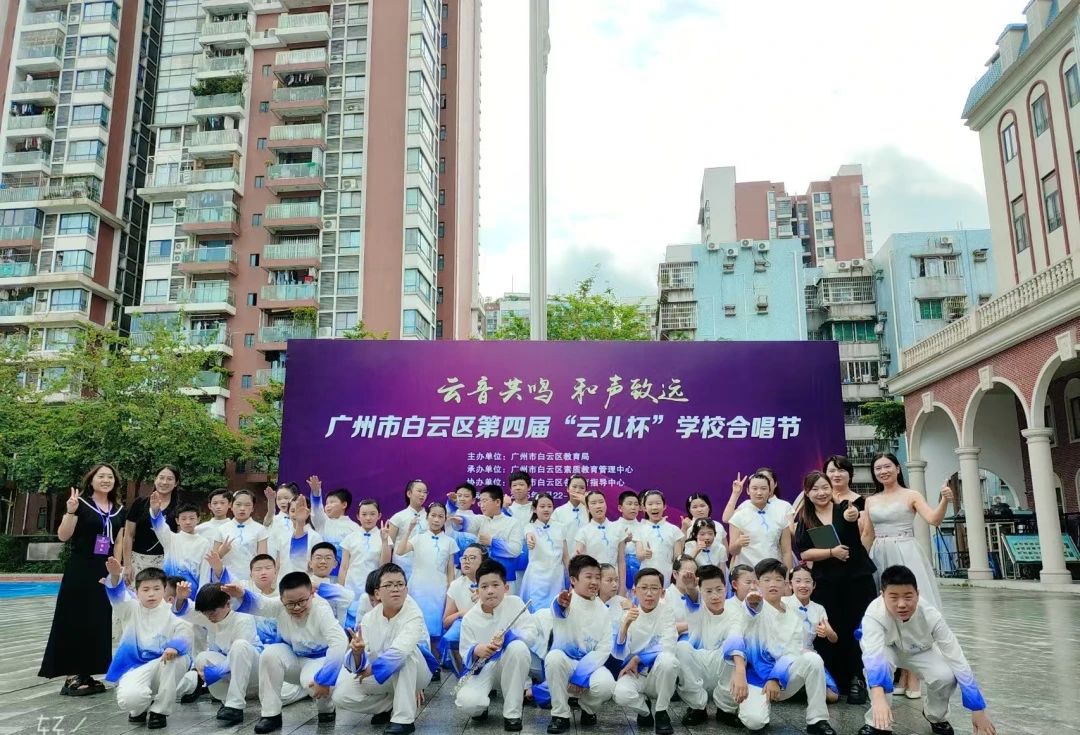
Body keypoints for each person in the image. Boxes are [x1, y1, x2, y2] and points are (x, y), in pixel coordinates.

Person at [857, 565, 997, 735]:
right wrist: (879, 698)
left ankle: (936, 716)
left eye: (908, 596)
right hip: (886, 649)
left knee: (945, 675)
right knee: (880, 669)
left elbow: (956, 657)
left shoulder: (931, 615)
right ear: (882, 595)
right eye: (893, 597)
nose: (901, 604)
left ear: (918, 593)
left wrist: (978, 709)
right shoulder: (873, 614)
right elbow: (873, 656)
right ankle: (878, 724)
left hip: (920, 650)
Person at [864, 452, 952, 698]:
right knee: (888, 611)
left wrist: (944, 500)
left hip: (906, 552)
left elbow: (933, 519)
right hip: (880, 553)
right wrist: (861, 563)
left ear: (897, 468)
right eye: (878, 468)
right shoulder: (870, 500)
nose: (883, 471)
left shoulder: (911, 495)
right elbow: (868, 534)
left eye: (887, 466)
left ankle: (913, 676)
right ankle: (901, 674)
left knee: (910, 611)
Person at [40, 463, 128, 696]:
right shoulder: (81, 504)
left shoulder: (119, 510)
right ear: (91, 480)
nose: (106, 480)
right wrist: (70, 512)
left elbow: (119, 540)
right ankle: (71, 674)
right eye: (101, 476)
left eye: (110, 477)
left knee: (97, 620)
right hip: (80, 569)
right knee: (74, 618)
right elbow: (63, 536)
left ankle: (87, 672)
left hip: (104, 570)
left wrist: (116, 568)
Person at [226, 571, 349, 734]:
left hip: (318, 660)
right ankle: (271, 715)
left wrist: (325, 679)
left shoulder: (321, 609)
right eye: (290, 604)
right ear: (282, 599)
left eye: (302, 601)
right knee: (270, 654)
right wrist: (241, 594)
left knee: (313, 684)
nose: (297, 607)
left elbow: (339, 641)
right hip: (293, 657)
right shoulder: (280, 605)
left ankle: (327, 709)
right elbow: (262, 604)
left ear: (312, 594)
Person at [795, 471, 877, 705]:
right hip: (827, 582)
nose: (821, 493)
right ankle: (836, 680)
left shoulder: (844, 509)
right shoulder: (805, 518)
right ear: (807, 493)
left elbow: (854, 516)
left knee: (857, 627)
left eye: (825, 487)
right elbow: (804, 552)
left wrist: (853, 515)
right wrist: (831, 552)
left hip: (857, 579)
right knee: (832, 628)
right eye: (815, 489)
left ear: (831, 489)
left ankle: (858, 678)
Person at [332, 563, 433, 735]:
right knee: (342, 695)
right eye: (389, 585)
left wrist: (371, 669)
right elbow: (360, 661)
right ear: (377, 593)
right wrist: (357, 653)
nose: (395, 589)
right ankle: (390, 705)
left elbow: (400, 651)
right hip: (383, 673)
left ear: (406, 590)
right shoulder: (369, 618)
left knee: (405, 656)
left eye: (400, 584)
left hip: (417, 673)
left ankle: (403, 720)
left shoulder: (413, 614)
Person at [741, 558, 837, 735]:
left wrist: (775, 678)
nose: (773, 584)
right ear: (757, 583)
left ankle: (817, 720)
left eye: (778, 579)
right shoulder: (755, 605)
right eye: (767, 579)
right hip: (756, 678)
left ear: (786, 584)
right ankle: (749, 705)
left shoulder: (793, 615)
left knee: (813, 659)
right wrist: (751, 602)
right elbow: (749, 611)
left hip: (783, 676)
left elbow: (793, 651)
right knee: (754, 722)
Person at [103, 561, 193, 730]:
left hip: (164, 662)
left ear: (164, 590)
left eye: (156, 589)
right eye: (145, 589)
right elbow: (118, 596)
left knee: (173, 659)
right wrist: (115, 575)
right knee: (130, 700)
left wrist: (174, 647)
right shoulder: (130, 608)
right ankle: (142, 707)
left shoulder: (172, 610)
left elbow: (186, 631)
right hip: (135, 665)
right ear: (136, 592)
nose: (151, 594)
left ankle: (160, 711)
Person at [456, 559, 540, 732]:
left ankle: (512, 714)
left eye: (495, 585)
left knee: (518, 648)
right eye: (484, 586)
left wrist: (510, 636)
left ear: (506, 587)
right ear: (477, 590)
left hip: (508, 665)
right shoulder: (470, 618)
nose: (490, 591)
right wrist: (477, 650)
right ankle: (481, 706)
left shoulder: (516, 604)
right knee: (468, 703)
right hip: (483, 668)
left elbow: (532, 635)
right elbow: (465, 652)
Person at [675, 564, 756, 728]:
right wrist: (690, 588)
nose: (715, 596)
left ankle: (725, 709)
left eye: (719, 590)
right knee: (681, 647)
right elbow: (693, 598)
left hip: (721, 663)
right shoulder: (697, 609)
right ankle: (697, 707)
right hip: (699, 663)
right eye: (709, 591)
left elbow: (735, 638)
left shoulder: (736, 612)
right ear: (701, 591)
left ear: (726, 588)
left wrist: (741, 672)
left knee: (735, 651)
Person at [543, 554, 616, 734]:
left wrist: (582, 674)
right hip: (566, 661)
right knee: (554, 658)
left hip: (591, 663)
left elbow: (605, 647)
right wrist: (561, 603)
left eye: (597, 577)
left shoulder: (603, 609)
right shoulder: (565, 600)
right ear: (573, 580)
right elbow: (558, 609)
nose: (594, 582)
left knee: (606, 686)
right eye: (588, 577)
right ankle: (560, 714)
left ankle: (587, 708)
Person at [173, 582, 262, 725]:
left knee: (239, 646)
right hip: (230, 672)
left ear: (228, 604)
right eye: (206, 614)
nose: (209, 617)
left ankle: (235, 706)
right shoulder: (210, 614)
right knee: (202, 659)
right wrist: (180, 598)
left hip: (254, 671)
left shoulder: (243, 618)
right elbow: (186, 611)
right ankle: (227, 702)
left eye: (212, 613)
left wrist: (213, 673)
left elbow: (239, 655)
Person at [612, 568, 679, 734]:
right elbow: (619, 653)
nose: (649, 593)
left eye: (654, 588)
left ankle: (662, 712)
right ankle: (645, 711)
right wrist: (625, 626)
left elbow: (668, 644)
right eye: (644, 588)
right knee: (620, 694)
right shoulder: (629, 615)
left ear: (662, 592)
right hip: (636, 673)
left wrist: (638, 658)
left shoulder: (667, 611)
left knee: (668, 661)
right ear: (635, 591)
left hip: (658, 671)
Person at [394, 501, 456, 647]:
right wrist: (409, 529)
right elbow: (400, 551)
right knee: (416, 624)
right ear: (427, 517)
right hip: (418, 588)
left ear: (445, 519)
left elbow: (450, 570)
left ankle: (434, 658)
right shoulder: (418, 538)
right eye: (433, 515)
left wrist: (450, 590)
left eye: (440, 516)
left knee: (435, 629)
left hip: (439, 590)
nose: (436, 520)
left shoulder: (449, 542)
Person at [784, 565, 839, 703]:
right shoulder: (783, 603)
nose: (803, 585)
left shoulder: (818, 609)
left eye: (807, 581)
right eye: (798, 581)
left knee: (832, 696)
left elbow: (834, 638)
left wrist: (828, 632)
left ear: (813, 585)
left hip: (810, 656)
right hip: (786, 655)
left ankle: (803, 686)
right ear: (790, 584)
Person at [122, 466, 181, 581]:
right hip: (138, 561)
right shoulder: (140, 503)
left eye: (169, 479)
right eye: (161, 478)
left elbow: (180, 539)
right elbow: (128, 535)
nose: (164, 482)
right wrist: (127, 565)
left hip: (166, 563)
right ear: (155, 479)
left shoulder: (179, 507)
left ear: (176, 483)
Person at [148, 492, 211, 597]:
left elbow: (205, 573)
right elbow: (160, 527)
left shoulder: (204, 543)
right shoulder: (171, 538)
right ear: (177, 520)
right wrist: (155, 510)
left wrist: (201, 597)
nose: (188, 522)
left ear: (198, 519)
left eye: (192, 518)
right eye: (184, 518)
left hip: (191, 593)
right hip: (169, 590)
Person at [729, 473, 794, 570]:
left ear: (770, 491)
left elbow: (786, 551)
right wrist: (738, 543)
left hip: (774, 570)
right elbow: (732, 551)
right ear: (748, 491)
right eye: (754, 488)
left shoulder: (780, 515)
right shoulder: (738, 516)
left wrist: (788, 575)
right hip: (748, 571)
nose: (759, 493)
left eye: (763, 489)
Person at [519, 492, 569, 612]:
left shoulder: (560, 527)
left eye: (549, 506)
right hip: (537, 576)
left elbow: (565, 556)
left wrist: (572, 576)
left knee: (555, 608)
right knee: (537, 608)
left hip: (556, 576)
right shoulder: (529, 527)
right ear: (534, 509)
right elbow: (529, 535)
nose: (546, 509)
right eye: (542, 506)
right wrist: (530, 540)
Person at [442, 543, 486, 671]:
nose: (466, 561)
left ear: (483, 562)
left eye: (472, 558)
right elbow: (446, 622)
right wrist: (461, 613)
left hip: (488, 625)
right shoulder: (456, 585)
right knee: (451, 637)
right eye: (464, 558)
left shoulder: (491, 581)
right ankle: (463, 674)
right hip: (466, 626)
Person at [472, 485, 526, 589]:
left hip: (505, 577)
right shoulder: (480, 519)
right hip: (482, 577)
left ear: (497, 502)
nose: (481, 505)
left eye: (485, 501)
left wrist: (493, 542)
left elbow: (516, 550)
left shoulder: (513, 523)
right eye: (480, 502)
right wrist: (459, 520)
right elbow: (467, 523)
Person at [308, 475, 360, 576]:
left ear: (344, 505)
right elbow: (317, 509)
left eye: (332, 502)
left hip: (342, 575)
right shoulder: (322, 522)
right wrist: (316, 493)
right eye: (326, 503)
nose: (328, 506)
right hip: (321, 573)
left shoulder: (354, 528)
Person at [339, 499, 393, 596]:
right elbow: (343, 567)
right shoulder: (350, 538)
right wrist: (340, 590)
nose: (368, 518)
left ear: (379, 516)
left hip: (373, 588)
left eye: (372, 514)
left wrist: (384, 541)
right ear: (358, 516)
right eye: (364, 514)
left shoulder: (385, 537)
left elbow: (384, 566)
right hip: (351, 588)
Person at [216, 489, 269, 582]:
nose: (242, 508)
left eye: (247, 505)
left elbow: (262, 558)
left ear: (253, 508)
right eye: (238, 504)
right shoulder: (222, 529)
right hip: (227, 578)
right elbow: (213, 558)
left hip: (251, 579)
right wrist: (221, 552)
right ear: (231, 506)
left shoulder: (260, 529)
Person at [634, 490, 684, 587]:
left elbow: (678, 558)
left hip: (667, 575)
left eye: (658, 503)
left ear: (664, 506)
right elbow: (639, 555)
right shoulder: (639, 529)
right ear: (644, 508)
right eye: (650, 504)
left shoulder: (674, 530)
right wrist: (644, 554)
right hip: (646, 574)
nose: (654, 507)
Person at [575, 490, 625, 585]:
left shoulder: (618, 528)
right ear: (588, 508)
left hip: (613, 581)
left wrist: (622, 586)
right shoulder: (583, 531)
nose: (598, 506)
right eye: (593, 503)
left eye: (601, 502)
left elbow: (621, 561)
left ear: (606, 505)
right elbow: (579, 558)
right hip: (592, 582)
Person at [269, 494, 323, 575]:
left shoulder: (315, 537)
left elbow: (317, 565)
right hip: (283, 579)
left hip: (305, 580)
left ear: (308, 512)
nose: (296, 514)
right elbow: (278, 563)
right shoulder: (282, 535)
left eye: (299, 511)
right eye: (293, 511)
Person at [386, 480, 428, 576]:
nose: (422, 495)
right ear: (409, 493)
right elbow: (389, 545)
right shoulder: (398, 517)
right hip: (401, 567)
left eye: (425, 492)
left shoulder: (429, 517)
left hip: (424, 566)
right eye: (419, 491)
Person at [308, 541, 356, 623]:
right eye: (318, 558)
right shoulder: (302, 585)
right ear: (310, 564)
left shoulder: (337, 589)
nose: (323, 561)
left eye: (328, 558)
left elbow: (348, 598)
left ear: (335, 564)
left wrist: (318, 585)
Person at [611, 490, 642, 594]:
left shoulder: (644, 527)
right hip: (617, 573)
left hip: (640, 575)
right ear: (620, 508)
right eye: (629, 504)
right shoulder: (612, 527)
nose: (633, 507)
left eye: (636, 504)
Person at [665, 555, 701, 638]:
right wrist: (691, 624)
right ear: (675, 574)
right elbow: (664, 627)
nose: (690, 578)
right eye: (687, 574)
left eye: (693, 574)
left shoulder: (701, 593)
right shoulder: (666, 596)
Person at [551, 474, 588, 539]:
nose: (577, 491)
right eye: (574, 487)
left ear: (585, 491)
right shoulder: (558, 511)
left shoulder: (590, 510)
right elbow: (552, 533)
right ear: (567, 489)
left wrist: (587, 504)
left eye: (582, 488)